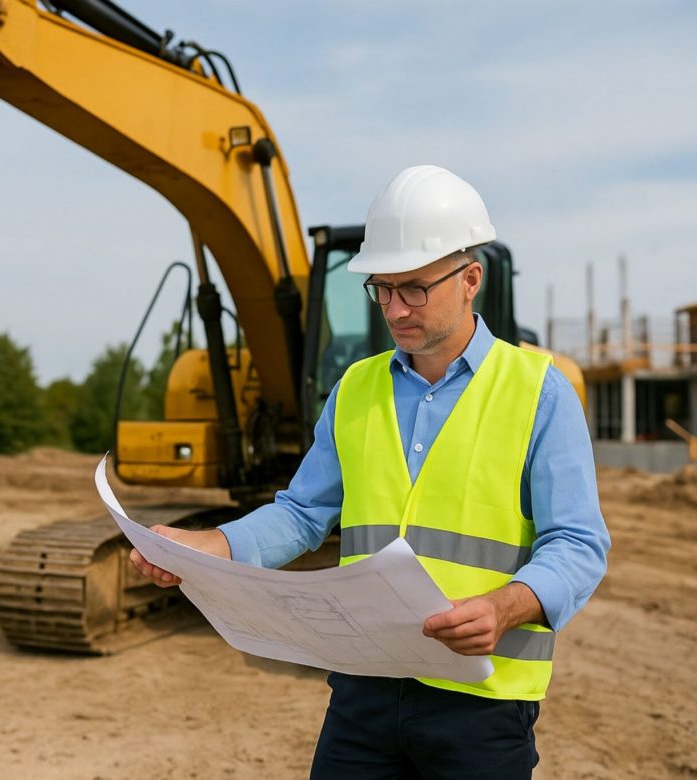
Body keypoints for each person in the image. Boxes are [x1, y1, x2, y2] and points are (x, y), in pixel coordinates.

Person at [129, 164, 610, 779]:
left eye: (413, 287)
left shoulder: (540, 390)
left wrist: (507, 606)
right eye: (381, 289)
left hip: (482, 704)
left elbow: (577, 543)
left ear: (470, 280)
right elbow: (302, 514)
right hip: (364, 692)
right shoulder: (355, 388)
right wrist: (211, 544)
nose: (394, 307)